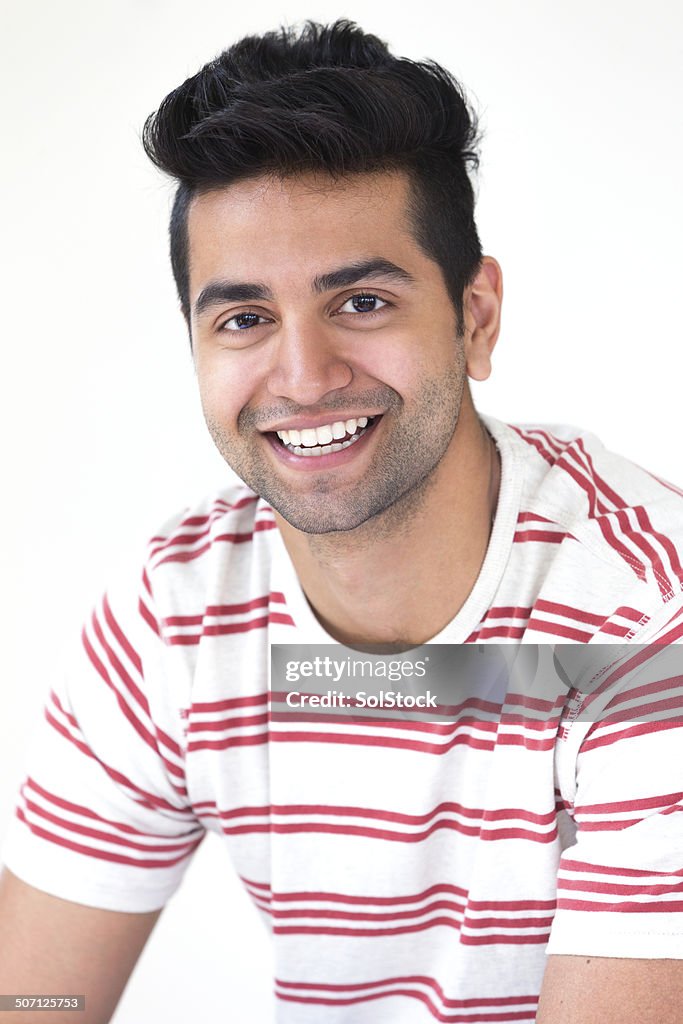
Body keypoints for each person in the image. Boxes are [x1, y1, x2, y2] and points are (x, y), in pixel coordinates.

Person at [1, 19, 682, 1024]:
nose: (304, 376)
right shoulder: (178, 613)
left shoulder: (642, 619)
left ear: (474, 316)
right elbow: (34, 995)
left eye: (360, 301)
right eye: (242, 318)